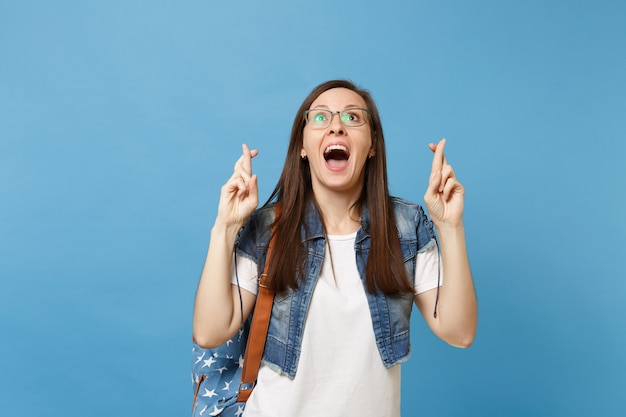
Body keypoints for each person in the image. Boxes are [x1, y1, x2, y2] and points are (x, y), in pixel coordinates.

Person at [193, 79, 477, 416]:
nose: (337, 127)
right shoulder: (268, 229)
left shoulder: (404, 227)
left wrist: (449, 226)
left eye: (353, 118)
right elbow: (210, 332)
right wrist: (224, 228)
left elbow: (459, 332)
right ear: (302, 145)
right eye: (321, 118)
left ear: (372, 144)